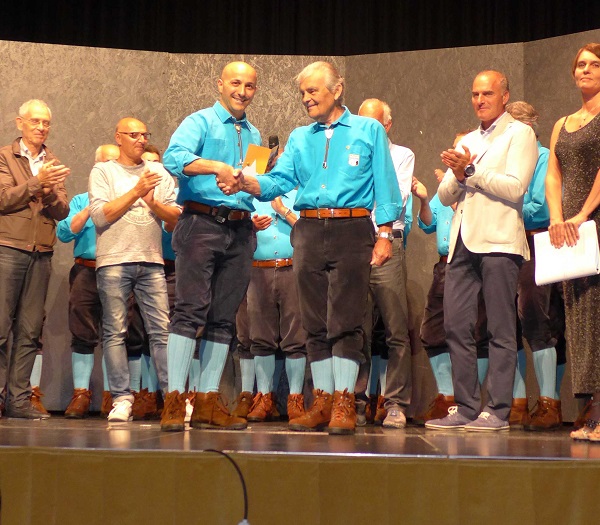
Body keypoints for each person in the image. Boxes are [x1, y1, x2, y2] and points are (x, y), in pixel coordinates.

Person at [219, 61, 401, 435]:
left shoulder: (367, 130)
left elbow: (386, 184)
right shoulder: (301, 137)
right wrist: (247, 183)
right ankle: (323, 402)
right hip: (308, 229)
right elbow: (278, 181)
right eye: (302, 92)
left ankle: (345, 402)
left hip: (352, 228)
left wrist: (385, 233)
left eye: (312, 91)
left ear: (337, 89)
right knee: (313, 321)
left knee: (346, 319)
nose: (306, 98)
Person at [426, 70, 538, 431]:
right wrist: (459, 174)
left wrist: (470, 171)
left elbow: (515, 187)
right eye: (475, 94)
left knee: (500, 329)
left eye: (487, 93)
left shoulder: (520, 134)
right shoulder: (469, 139)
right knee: (455, 326)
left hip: (499, 241)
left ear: (504, 96)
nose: (479, 100)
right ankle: (466, 406)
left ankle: (500, 410)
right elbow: (445, 195)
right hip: (462, 242)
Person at [159, 61, 260, 432]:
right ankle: (174, 402)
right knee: (189, 311)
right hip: (200, 223)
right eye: (235, 83)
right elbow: (173, 157)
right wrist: (215, 166)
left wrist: (250, 183)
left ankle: (206, 403)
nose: (242, 91)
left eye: (249, 86)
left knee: (223, 318)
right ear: (220, 84)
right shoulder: (199, 121)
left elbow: (253, 179)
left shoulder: (255, 133)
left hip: (240, 228)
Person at [89, 118, 179, 422]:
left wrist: (152, 203)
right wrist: (137, 190)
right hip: (114, 259)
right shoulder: (104, 171)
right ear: (118, 138)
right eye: (133, 134)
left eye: (144, 134)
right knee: (115, 331)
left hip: (151, 260)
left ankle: (173, 398)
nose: (141, 139)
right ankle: (122, 399)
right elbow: (100, 216)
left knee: (162, 331)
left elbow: (174, 218)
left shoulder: (159, 173)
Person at [411, 131, 491, 425]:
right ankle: (447, 398)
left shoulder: (477, 181)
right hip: (445, 265)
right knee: (432, 332)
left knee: (477, 333)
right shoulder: (448, 182)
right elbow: (428, 224)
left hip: (472, 261)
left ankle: (468, 399)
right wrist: (423, 200)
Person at [0, 99, 70, 419]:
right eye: (35, 121)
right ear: (20, 123)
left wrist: (52, 190)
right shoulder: (5, 156)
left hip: (41, 253)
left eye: (46, 123)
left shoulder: (52, 162)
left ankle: (18, 400)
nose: (41, 127)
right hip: (8, 249)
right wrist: (36, 183)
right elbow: (3, 198)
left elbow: (62, 211)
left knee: (29, 331)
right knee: (1, 329)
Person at [545, 43, 600, 441]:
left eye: (594, 64)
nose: (585, 70)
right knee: (578, 314)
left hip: (593, 222)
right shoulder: (563, 123)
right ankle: (591, 407)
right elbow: (553, 174)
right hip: (569, 230)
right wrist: (557, 218)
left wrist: (582, 214)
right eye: (580, 64)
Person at [504, 101, 567, 431]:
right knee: (507, 324)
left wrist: (503, 209)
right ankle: (517, 402)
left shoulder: (543, 157)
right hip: (508, 244)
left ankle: (548, 402)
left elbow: (540, 207)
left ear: (529, 128)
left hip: (537, 241)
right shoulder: (506, 161)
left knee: (537, 318)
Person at [355, 98, 413, 429]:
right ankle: (357, 400)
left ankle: (395, 403)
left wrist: (376, 227)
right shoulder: (352, 152)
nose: (366, 130)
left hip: (387, 239)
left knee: (395, 328)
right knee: (356, 327)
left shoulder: (401, 155)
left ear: (387, 125)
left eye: (373, 124)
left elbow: (396, 197)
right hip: (354, 242)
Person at [58, 144, 119, 418]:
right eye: (105, 163)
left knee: (117, 334)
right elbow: (64, 233)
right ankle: (81, 394)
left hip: (118, 269)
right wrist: (90, 206)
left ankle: (112, 396)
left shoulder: (127, 199)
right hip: (86, 271)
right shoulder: (81, 199)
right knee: (82, 332)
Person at [245, 192, 308, 423]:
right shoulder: (251, 197)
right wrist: (251, 227)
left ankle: (295, 398)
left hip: (292, 268)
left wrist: (283, 211)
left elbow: (309, 232)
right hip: (258, 270)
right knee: (260, 336)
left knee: (296, 337)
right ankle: (264, 397)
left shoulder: (300, 195)